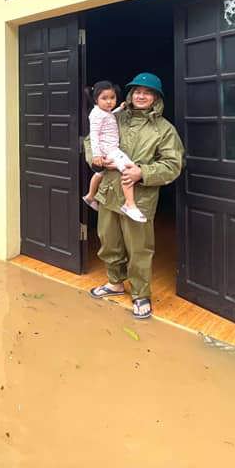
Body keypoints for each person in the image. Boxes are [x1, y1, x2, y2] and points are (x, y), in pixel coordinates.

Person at [86, 73, 185, 320]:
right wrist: (96, 159)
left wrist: (143, 172)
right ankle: (115, 283)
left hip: (138, 199)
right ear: (130, 95)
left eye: (148, 92)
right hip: (109, 192)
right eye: (137, 91)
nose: (141, 96)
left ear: (156, 98)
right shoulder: (114, 117)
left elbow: (173, 164)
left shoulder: (164, 130)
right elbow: (91, 140)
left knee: (139, 249)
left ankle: (141, 294)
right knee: (108, 241)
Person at [81, 81, 146, 222]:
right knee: (129, 170)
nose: (110, 102)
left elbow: (110, 115)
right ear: (96, 99)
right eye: (105, 98)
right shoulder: (96, 115)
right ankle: (130, 204)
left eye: (112, 98)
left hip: (108, 149)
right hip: (110, 150)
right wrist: (97, 155)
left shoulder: (103, 111)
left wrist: (119, 109)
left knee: (100, 173)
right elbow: (94, 135)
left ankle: (90, 196)